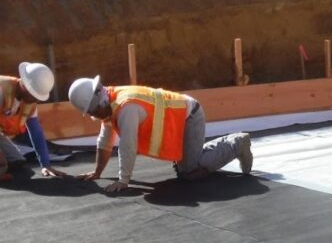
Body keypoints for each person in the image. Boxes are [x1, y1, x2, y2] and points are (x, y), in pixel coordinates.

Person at [66, 76, 252, 193]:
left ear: (98, 104)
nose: (93, 117)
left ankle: (237, 144)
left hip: (190, 117)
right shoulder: (109, 101)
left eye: (92, 113)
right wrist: (97, 172)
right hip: (179, 117)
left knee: (188, 172)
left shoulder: (126, 108)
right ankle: (219, 147)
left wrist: (123, 181)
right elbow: (105, 140)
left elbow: (127, 145)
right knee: (183, 167)